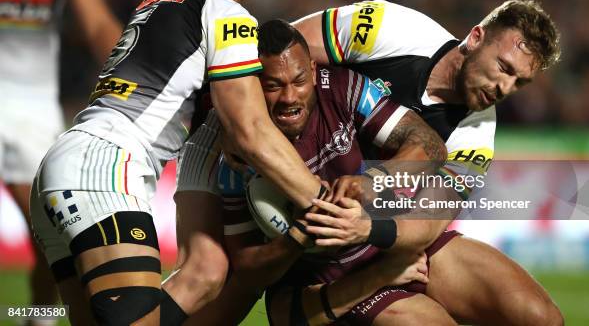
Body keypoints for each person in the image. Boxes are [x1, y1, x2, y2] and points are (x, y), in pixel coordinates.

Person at [29, 0, 325, 325]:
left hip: (67, 161)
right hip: (106, 168)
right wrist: (323, 204)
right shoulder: (227, 14)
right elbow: (251, 130)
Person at [287, 0, 564, 325]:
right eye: (504, 68)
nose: (505, 88)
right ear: (475, 38)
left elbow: (426, 223)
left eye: (520, 82)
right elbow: (284, 56)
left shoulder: (476, 138)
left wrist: (367, 228)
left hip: (383, 232)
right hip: (313, 207)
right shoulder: (388, 27)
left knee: (540, 317)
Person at [175, 19, 450, 325]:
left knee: (513, 297)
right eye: (273, 85)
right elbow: (248, 271)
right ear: (253, 86)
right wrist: (299, 235)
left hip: (385, 245)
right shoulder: (238, 156)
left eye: (299, 80)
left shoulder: (345, 88)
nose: (289, 97)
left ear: (314, 71)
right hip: (322, 285)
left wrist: (376, 179)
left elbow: (432, 147)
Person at [0, 0, 122, 320]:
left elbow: (98, 24)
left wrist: (132, 82)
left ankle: (36, 316)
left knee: (49, 238)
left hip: (29, 110)